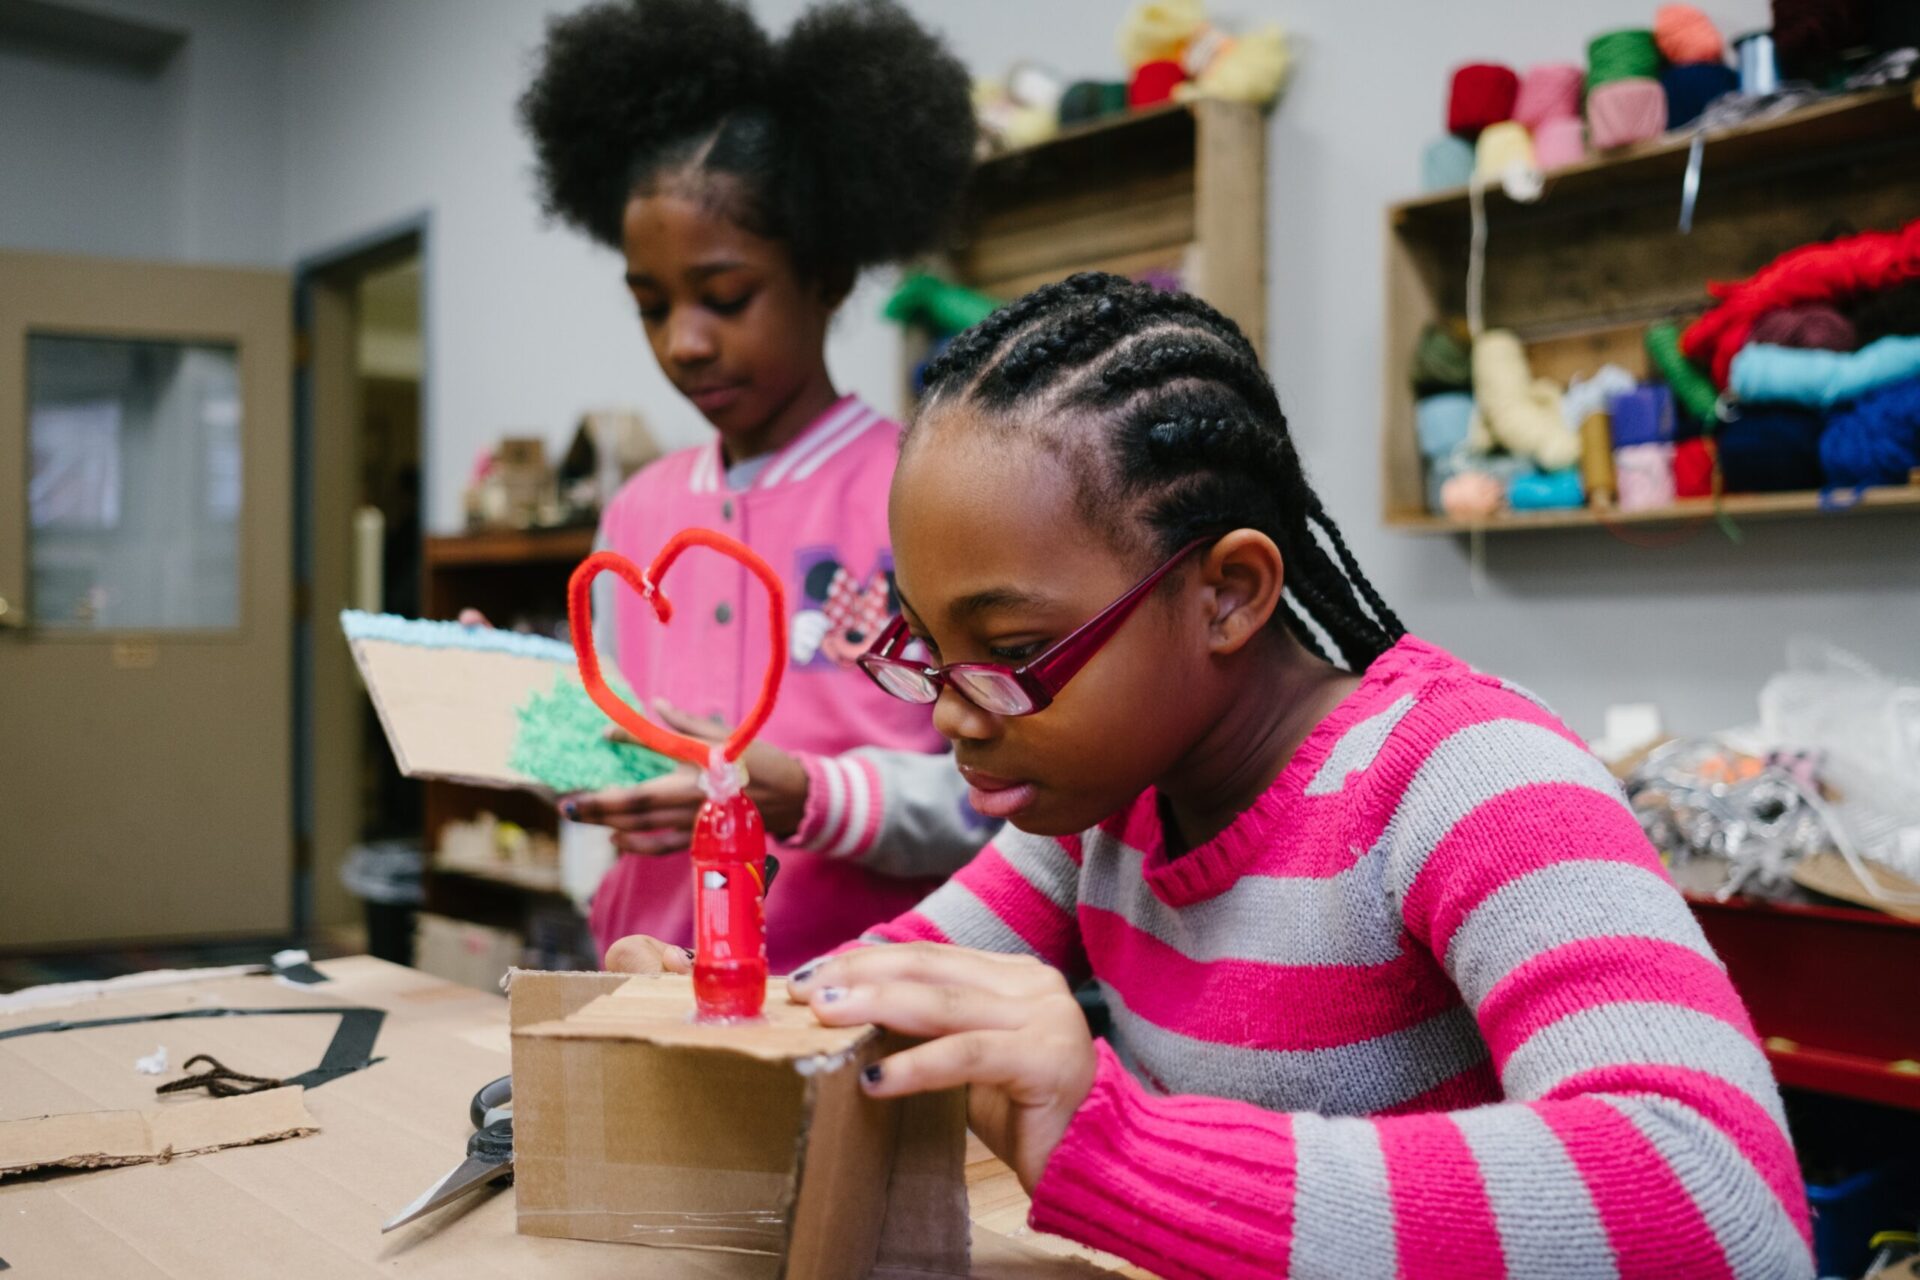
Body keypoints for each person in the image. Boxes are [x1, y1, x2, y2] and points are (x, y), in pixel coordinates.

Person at [611, 275, 1812, 1279]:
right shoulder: (1099, 810)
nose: (960, 714)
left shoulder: (1465, 779)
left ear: (1228, 592)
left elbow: (1725, 1201)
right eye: (930, 648)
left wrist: (1119, 1148)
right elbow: (884, 994)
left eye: (1018, 653)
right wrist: (731, 1005)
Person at [516, 0, 987, 970]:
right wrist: (528, 728)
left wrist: (804, 791)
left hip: (861, 998)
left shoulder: (926, 490)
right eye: (652, 306)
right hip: (649, 983)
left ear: (826, 272)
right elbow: (617, 772)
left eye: (725, 297)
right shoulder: (639, 510)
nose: (685, 341)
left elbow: (1000, 805)